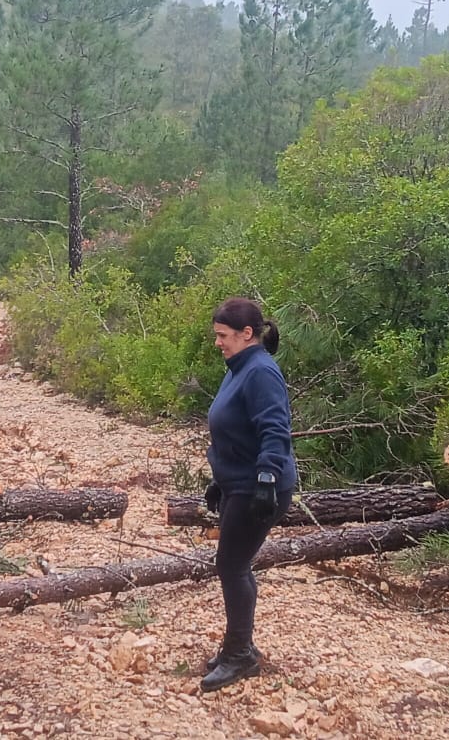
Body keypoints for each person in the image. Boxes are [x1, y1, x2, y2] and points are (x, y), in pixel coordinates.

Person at [199, 296, 296, 693]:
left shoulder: (260, 372)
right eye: (217, 335)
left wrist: (267, 479)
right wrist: (219, 479)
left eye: (223, 335)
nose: (218, 342)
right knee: (235, 564)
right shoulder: (239, 367)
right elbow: (235, 430)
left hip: (258, 487)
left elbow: (275, 428)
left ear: (247, 333)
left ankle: (239, 655)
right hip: (238, 483)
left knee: (231, 565)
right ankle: (241, 647)